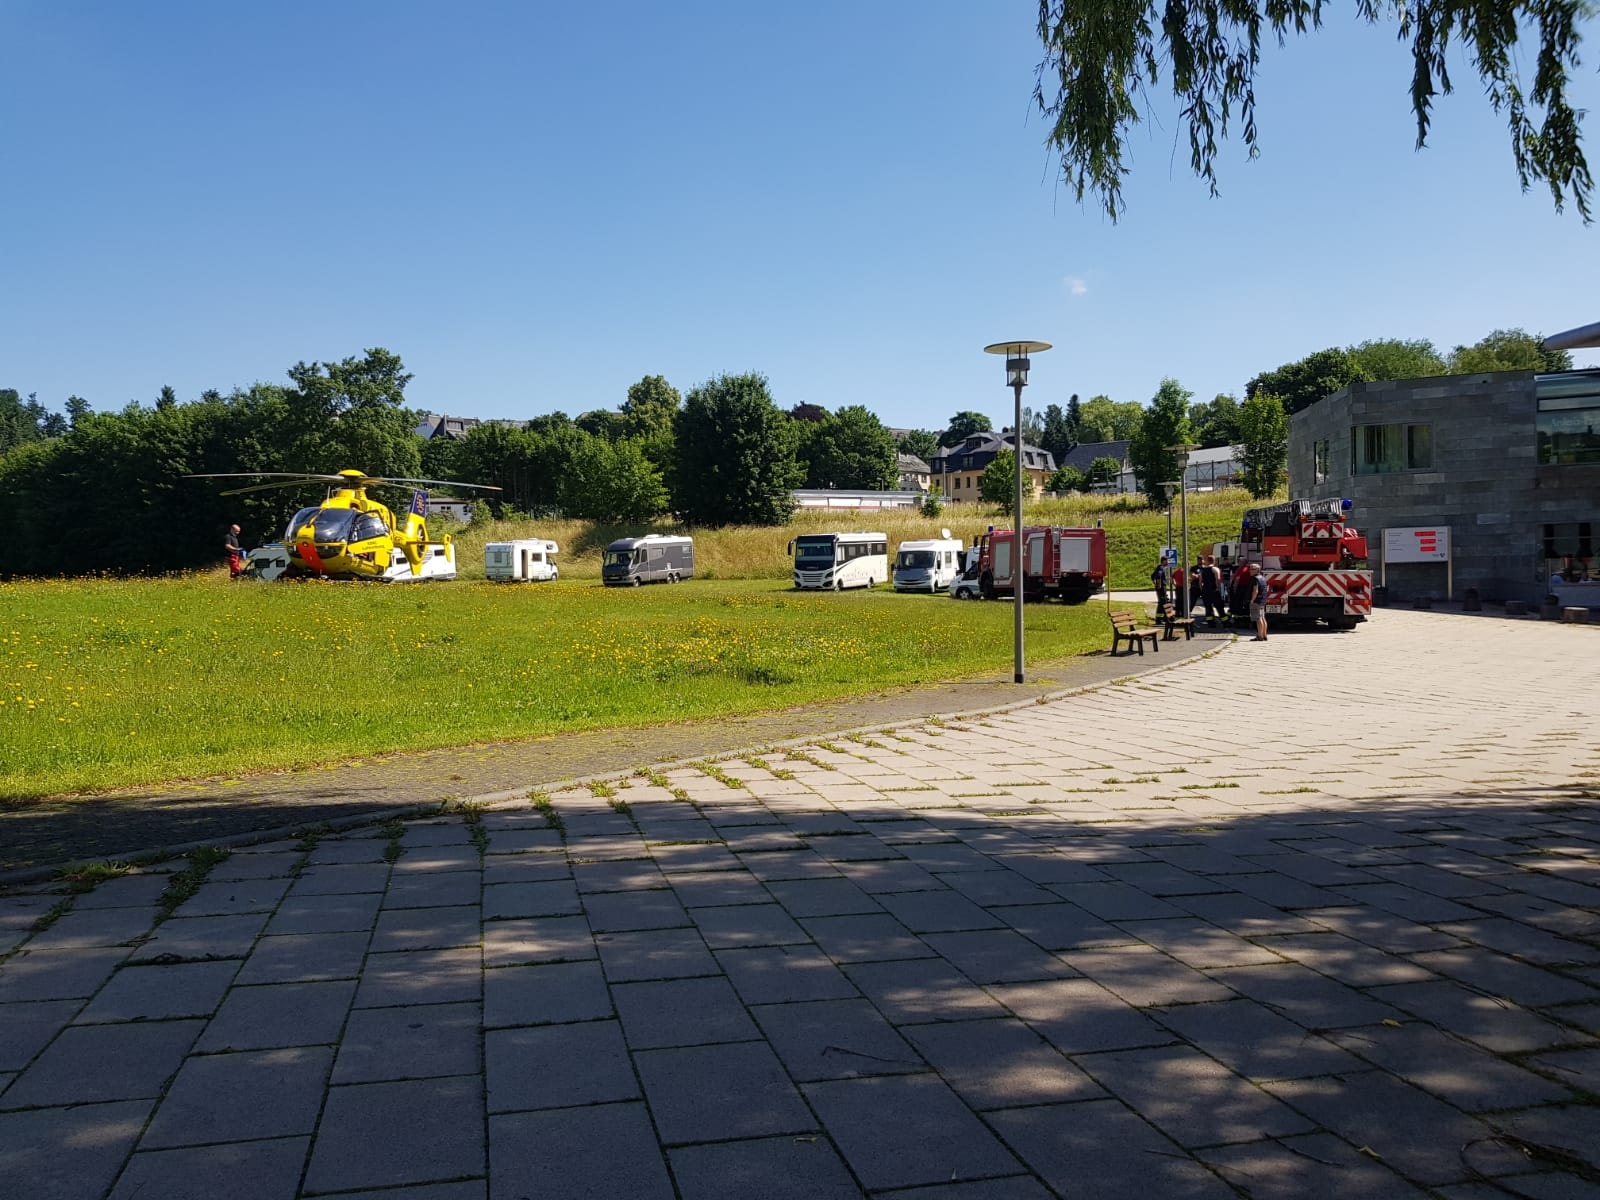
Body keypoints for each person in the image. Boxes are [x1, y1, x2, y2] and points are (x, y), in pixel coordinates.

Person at [1198, 555, 1223, 627]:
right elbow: (1217, 579)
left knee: (1208, 607)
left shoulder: (1202, 570)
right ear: (1214, 560)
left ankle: (1210, 622)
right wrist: (1218, 588)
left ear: (1207, 561)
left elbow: (1200, 582)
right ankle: (1225, 622)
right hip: (1214, 590)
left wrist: (1202, 589)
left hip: (1205, 590)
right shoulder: (1215, 569)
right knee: (1219, 606)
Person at [1250, 566, 1270, 641]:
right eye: (1250, 569)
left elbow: (1255, 590)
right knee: (1262, 618)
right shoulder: (1262, 578)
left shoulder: (1255, 579)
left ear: (1257, 570)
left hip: (1257, 601)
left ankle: (1259, 636)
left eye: (1253, 569)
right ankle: (1264, 635)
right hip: (1262, 601)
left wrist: (1252, 600)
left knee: (1258, 619)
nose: (1250, 570)